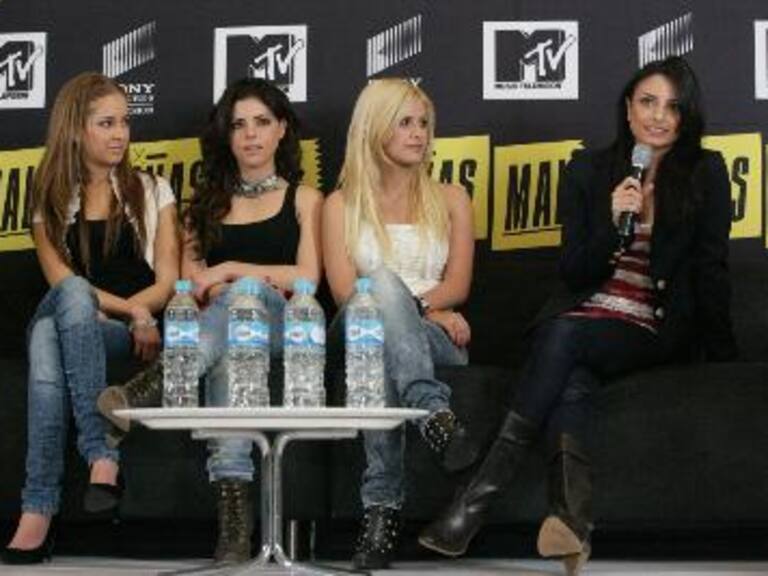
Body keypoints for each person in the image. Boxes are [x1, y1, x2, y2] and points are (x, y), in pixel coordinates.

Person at [418, 56, 738, 575]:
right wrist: (613, 224)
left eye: (672, 106)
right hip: (585, 316)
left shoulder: (707, 172)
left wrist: (723, 358)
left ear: (687, 116)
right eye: (647, 102)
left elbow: (711, 267)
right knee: (569, 376)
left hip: (651, 324)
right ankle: (570, 520)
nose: (658, 116)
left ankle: (476, 498)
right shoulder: (588, 170)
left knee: (562, 336)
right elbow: (573, 271)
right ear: (628, 110)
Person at [103, 77, 322, 563]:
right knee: (234, 335)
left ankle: (157, 381)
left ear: (282, 129)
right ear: (226, 135)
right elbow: (191, 284)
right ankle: (234, 527)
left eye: (262, 122)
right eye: (239, 125)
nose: (251, 134)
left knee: (245, 296)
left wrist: (231, 272)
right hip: (227, 331)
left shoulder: (305, 199)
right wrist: (230, 285)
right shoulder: (204, 205)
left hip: (290, 330)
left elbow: (307, 277)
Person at [1, 72, 179, 565]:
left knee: (46, 339)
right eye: (106, 123)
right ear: (76, 130)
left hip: (113, 333)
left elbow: (168, 281)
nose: (120, 134)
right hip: (83, 312)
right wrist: (136, 310)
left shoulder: (154, 189)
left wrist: (138, 311)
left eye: (124, 122)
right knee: (73, 296)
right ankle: (101, 453)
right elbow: (60, 281)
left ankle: (38, 509)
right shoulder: (50, 195)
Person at [322, 78, 479, 570]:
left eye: (423, 123)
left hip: (434, 337)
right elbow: (346, 293)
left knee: (377, 347)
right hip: (362, 323)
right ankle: (433, 413)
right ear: (374, 128)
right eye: (404, 122)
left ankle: (380, 515)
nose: (418, 134)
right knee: (378, 293)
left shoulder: (451, 197)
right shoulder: (340, 204)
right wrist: (420, 306)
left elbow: (458, 285)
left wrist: (423, 312)